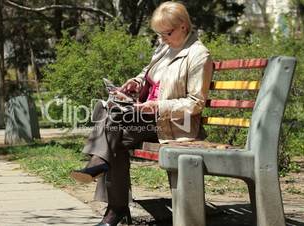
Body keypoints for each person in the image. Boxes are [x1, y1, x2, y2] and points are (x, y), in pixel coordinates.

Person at [70, 2, 213, 226]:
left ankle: (110, 197)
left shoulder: (198, 55)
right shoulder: (165, 47)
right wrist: (135, 83)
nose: (162, 39)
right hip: (146, 118)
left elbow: (195, 103)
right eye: (159, 34)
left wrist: (156, 106)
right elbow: (148, 72)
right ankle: (109, 189)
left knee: (113, 125)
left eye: (166, 33)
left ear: (183, 27)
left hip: (175, 124)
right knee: (110, 116)